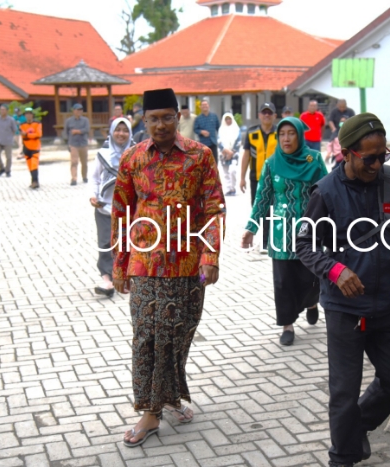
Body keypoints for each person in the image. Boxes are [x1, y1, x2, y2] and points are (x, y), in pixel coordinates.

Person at [295, 113, 390, 467]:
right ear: (347, 153)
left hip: (389, 303)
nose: (378, 164)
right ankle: (342, 457)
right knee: (343, 393)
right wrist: (334, 269)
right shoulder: (326, 193)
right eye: (370, 157)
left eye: (383, 156)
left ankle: (355, 428)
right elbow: (304, 244)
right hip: (345, 308)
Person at [112, 88, 225, 448]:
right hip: (144, 262)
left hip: (188, 263)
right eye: (152, 118)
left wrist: (210, 256)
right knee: (147, 336)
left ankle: (171, 396)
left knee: (177, 336)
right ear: (143, 121)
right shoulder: (132, 159)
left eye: (166, 117)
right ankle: (150, 412)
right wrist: (119, 263)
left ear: (178, 117)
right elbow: (120, 212)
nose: (160, 125)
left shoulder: (200, 156)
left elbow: (213, 209)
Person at [241, 117, 327, 345]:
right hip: (280, 232)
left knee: (310, 275)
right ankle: (287, 325)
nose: (286, 138)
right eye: (282, 134)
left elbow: (327, 193)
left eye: (291, 133)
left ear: (299, 135)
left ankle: (311, 302)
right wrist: (252, 227)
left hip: (310, 229)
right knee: (283, 281)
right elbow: (263, 197)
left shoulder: (314, 159)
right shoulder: (271, 163)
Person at [91, 118, 132, 298]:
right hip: (104, 207)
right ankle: (107, 279)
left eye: (125, 130)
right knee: (105, 243)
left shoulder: (137, 153)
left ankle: (126, 276)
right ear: (112, 132)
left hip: (129, 209)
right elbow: (94, 177)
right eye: (118, 130)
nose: (121, 134)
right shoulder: (103, 154)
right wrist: (92, 195)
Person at [240, 103, 278, 250]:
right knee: (258, 209)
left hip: (276, 179)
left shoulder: (280, 132)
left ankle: (268, 241)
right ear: (259, 115)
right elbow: (246, 155)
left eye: (270, 113)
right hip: (256, 178)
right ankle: (264, 239)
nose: (267, 115)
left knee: (273, 209)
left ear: (274, 116)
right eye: (264, 112)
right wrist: (242, 177)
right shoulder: (251, 132)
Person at [63, 103, 91, 186]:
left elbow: (87, 129)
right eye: (78, 110)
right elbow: (66, 132)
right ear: (74, 111)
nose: (80, 111)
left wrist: (77, 131)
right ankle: (74, 178)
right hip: (73, 144)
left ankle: (84, 176)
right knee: (74, 162)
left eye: (81, 110)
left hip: (83, 144)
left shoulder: (85, 120)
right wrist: (68, 143)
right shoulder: (69, 121)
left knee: (84, 162)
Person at [218, 112, 241, 196]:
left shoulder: (236, 129)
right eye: (226, 119)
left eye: (229, 119)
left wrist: (231, 152)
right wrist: (226, 151)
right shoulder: (221, 129)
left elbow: (238, 141)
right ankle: (228, 189)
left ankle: (233, 188)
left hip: (234, 154)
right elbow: (219, 141)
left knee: (233, 170)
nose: (228, 120)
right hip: (223, 153)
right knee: (225, 172)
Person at [20, 108, 42, 189]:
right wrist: (26, 135)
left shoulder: (37, 123)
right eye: (27, 114)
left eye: (30, 113)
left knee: (34, 164)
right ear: (25, 115)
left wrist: (27, 135)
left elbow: (38, 134)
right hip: (26, 147)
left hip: (35, 147)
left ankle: (35, 182)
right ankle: (34, 181)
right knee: (30, 166)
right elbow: (22, 135)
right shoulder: (22, 125)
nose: (28, 115)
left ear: (32, 115)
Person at [0, 104, 17, 178]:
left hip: (8, 140)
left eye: (3, 110)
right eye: (1, 109)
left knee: (8, 157)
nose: (2, 111)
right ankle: (1, 168)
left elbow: (14, 129)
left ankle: (8, 170)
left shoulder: (11, 120)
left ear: (7, 111)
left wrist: (10, 137)